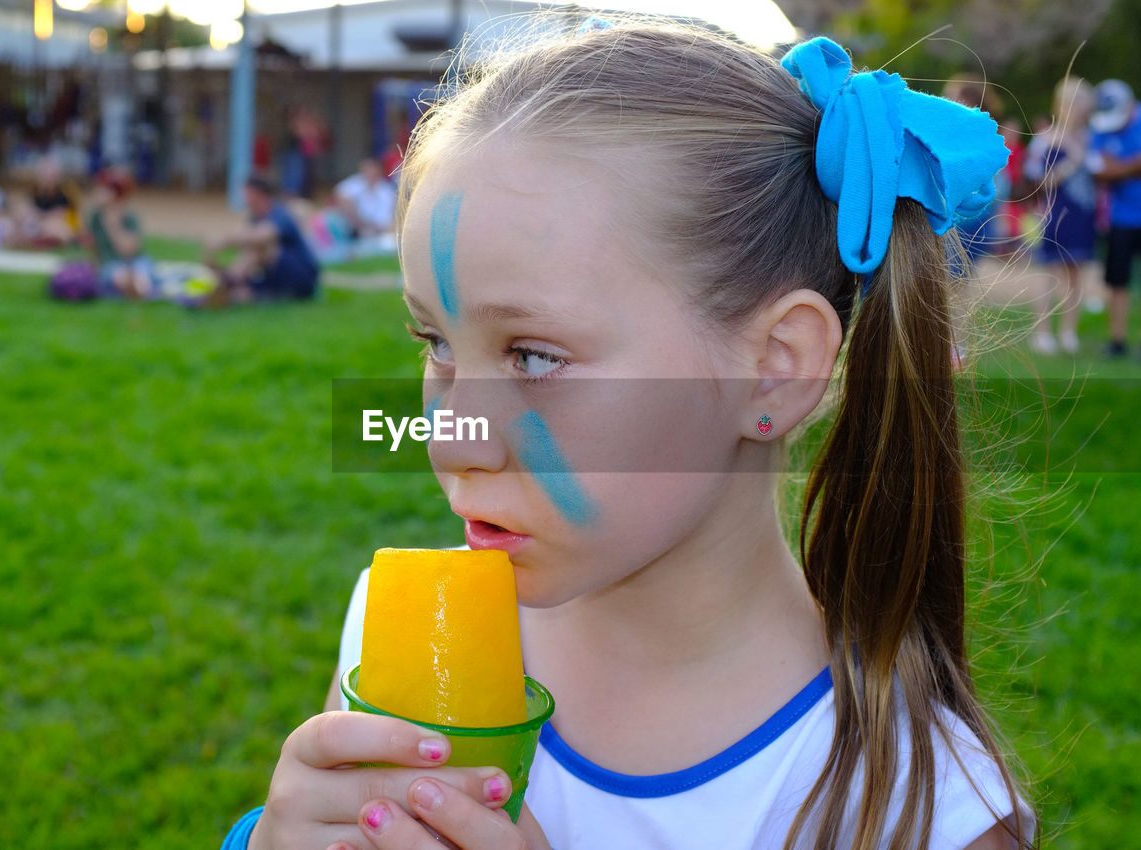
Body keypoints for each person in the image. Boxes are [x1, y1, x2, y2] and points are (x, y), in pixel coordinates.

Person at [224, 21, 1034, 850]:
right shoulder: (392, 649)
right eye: (434, 343)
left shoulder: (919, 813)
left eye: (534, 356)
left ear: (775, 370)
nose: (452, 441)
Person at [1087, 79, 1141, 361]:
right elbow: (1098, 171)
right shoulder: (1100, 126)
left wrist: (1120, 167)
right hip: (1121, 218)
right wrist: (1140, 163)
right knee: (1117, 281)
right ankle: (1117, 341)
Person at [1024, 77, 1098, 354]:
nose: (1084, 110)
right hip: (1055, 213)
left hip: (1084, 213)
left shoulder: (1091, 137)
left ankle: (1069, 333)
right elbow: (1040, 184)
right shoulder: (1046, 140)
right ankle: (1042, 333)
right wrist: (1073, 161)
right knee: (1050, 272)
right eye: (1079, 103)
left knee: (1077, 272)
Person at [204, 175, 319, 303]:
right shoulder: (254, 218)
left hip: (301, 277)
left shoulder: (280, 213)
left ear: (257, 194)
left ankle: (230, 281)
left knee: (260, 245)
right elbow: (244, 247)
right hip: (276, 277)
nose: (243, 198)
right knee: (239, 295)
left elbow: (263, 236)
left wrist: (224, 240)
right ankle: (228, 284)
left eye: (246, 193)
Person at [85, 167, 155, 299]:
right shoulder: (96, 216)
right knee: (118, 275)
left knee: (141, 272)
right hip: (110, 265)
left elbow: (129, 250)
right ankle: (134, 289)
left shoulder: (129, 217)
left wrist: (112, 224)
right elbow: (93, 248)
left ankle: (138, 289)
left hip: (135, 261)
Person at [333, 157, 399, 239]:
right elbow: (340, 196)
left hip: (381, 228)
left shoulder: (386, 189)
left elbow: (389, 212)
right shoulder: (354, 184)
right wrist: (361, 224)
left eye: (372, 169)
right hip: (356, 227)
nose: (369, 172)